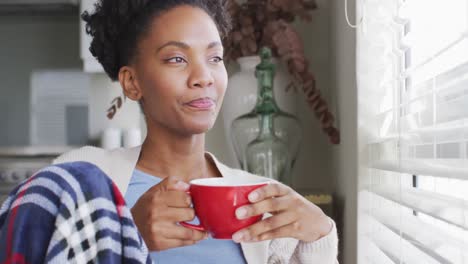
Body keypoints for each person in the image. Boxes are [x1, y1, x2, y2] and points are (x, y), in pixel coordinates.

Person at [2, 0, 338, 263]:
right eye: (176, 59)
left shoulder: (262, 199)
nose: (203, 76)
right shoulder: (84, 179)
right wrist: (124, 234)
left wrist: (319, 238)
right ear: (132, 83)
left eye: (215, 58)